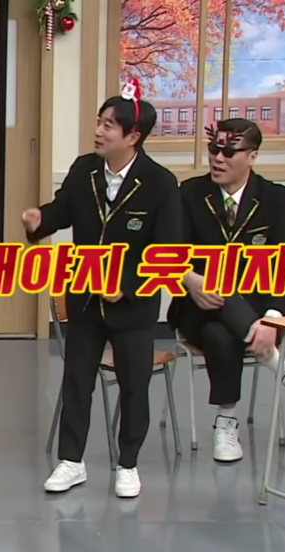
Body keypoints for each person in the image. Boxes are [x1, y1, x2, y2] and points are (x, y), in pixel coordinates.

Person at [23, 79, 181, 498]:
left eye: (109, 125)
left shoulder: (160, 183)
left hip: (134, 306)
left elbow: (168, 251)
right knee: (77, 379)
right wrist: (40, 221)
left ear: (133, 136)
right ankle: (71, 461)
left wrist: (127, 286)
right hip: (86, 299)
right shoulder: (84, 170)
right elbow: (61, 211)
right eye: (99, 121)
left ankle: (127, 464)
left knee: (134, 385)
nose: (98, 131)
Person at [167, 118, 285, 464]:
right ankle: (284, 370)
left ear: (252, 156)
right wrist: (190, 280)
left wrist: (272, 318)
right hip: (196, 303)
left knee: (220, 333)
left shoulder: (276, 198)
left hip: (252, 309)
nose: (218, 158)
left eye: (229, 151)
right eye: (214, 149)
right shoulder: (189, 193)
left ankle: (226, 421)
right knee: (213, 302)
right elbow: (170, 251)